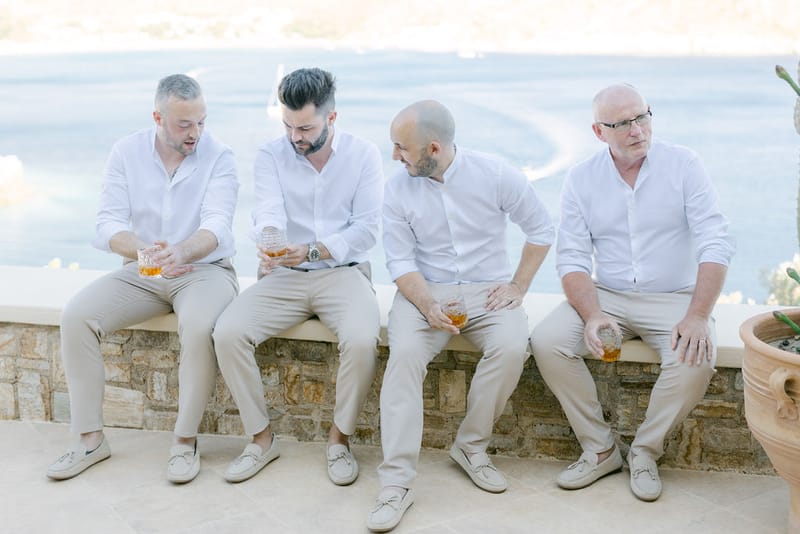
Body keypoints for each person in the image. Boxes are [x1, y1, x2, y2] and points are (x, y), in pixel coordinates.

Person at [530, 83, 735, 502]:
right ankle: (601, 448)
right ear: (598, 131)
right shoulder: (581, 178)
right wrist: (592, 315)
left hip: (675, 298)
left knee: (695, 359)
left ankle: (644, 452)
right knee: (548, 341)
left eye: (642, 116)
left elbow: (716, 241)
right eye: (621, 123)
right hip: (608, 295)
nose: (637, 130)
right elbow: (571, 259)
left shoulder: (684, 164)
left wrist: (697, 316)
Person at [366, 100, 554, 532]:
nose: (394, 156)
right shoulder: (396, 189)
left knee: (511, 348)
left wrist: (518, 287)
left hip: (488, 292)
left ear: (433, 147)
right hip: (423, 292)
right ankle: (395, 483)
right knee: (405, 357)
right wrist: (428, 305)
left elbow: (541, 230)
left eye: (401, 148)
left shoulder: (497, 174)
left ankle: (470, 446)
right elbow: (399, 261)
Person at [46, 74, 240, 483]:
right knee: (77, 315)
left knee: (200, 325)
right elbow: (107, 224)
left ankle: (185, 442)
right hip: (145, 269)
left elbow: (219, 225)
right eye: (184, 124)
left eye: (201, 122)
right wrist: (144, 252)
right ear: (158, 117)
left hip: (204, 271)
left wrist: (182, 251)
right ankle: (89, 440)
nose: (196, 133)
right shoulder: (126, 152)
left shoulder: (220, 156)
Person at [212, 67, 382, 485]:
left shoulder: (364, 155)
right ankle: (261, 439)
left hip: (342, 273)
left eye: (305, 127)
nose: (295, 137)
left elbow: (368, 229)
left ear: (332, 118)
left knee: (362, 341)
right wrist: (270, 242)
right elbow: (267, 210)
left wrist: (313, 249)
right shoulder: (272, 154)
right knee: (228, 332)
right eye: (288, 126)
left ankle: (339, 440)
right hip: (285, 275)